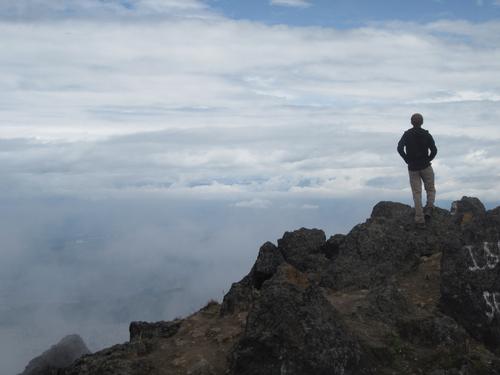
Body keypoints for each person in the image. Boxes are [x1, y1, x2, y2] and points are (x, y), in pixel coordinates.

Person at [397, 113, 437, 227]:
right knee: (430, 188)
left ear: (411, 122)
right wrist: (428, 159)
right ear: (422, 122)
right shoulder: (426, 134)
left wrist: (406, 159)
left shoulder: (407, 134)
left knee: (417, 193)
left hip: (413, 167)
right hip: (425, 166)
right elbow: (434, 150)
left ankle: (419, 219)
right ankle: (429, 208)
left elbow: (399, 148)